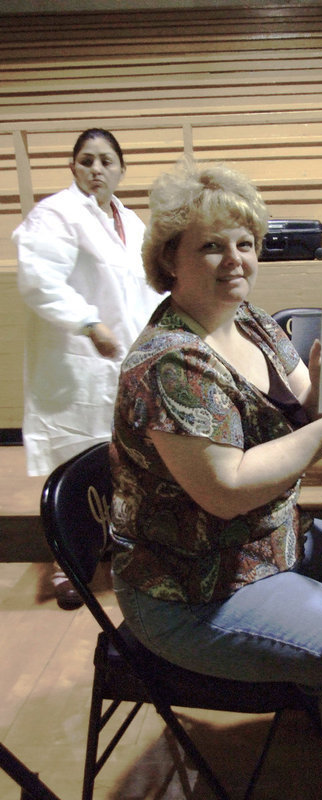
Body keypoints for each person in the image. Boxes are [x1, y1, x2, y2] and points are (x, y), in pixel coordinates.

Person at [110, 159, 322, 800]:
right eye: (211, 247)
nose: (235, 261)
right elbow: (225, 492)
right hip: (190, 592)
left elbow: (305, 404)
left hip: (254, 551)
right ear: (169, 259)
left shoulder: (250, 321)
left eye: (245, 244)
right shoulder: (172, 363)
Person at [13, 128, 160, 610]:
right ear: (72, 167)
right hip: (78, 365)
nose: (96, 169)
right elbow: (39, 280)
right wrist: (88, 322)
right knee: (75, 464)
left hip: (126, 364)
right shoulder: (55, 215)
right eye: (86, 160)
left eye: (106, 160)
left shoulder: (132, 222)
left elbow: (149, 288)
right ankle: (67, 564)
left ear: (121, 168)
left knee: (126, 463)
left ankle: (123, 548)